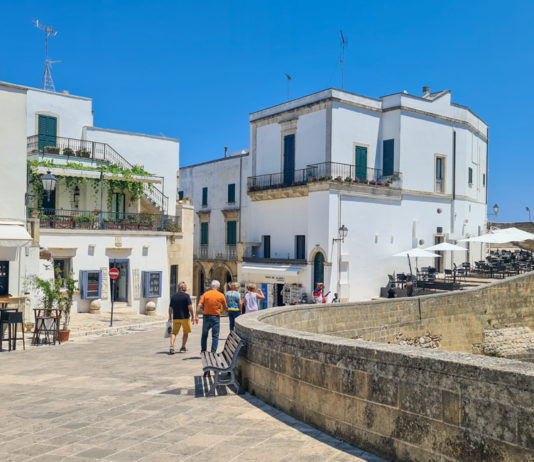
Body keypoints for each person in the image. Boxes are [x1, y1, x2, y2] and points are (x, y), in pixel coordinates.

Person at [198, 280, 227, 354]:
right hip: (215, 317)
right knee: (215, 336)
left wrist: (196, 315)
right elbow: (225, 306)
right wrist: (226, 311)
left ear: (211, 286)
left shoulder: (206, 294)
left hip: (206, 316)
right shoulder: (221, 295)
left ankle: (203, 351)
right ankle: (213, 352)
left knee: (204, 335)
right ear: (218, 287)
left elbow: (199, 304)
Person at [168, 281, 196, 355]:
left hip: (176, 317)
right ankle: (183, 347)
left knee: (174, 332)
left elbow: (170, 308)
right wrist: (193, 315)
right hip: (185, 318)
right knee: (185, 332)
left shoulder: (173, 296)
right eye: (186, 286)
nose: (186, 287)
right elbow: (190, 307)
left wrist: (170, 317)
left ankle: (171, 346)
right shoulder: (186, 296)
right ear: (183, 287)